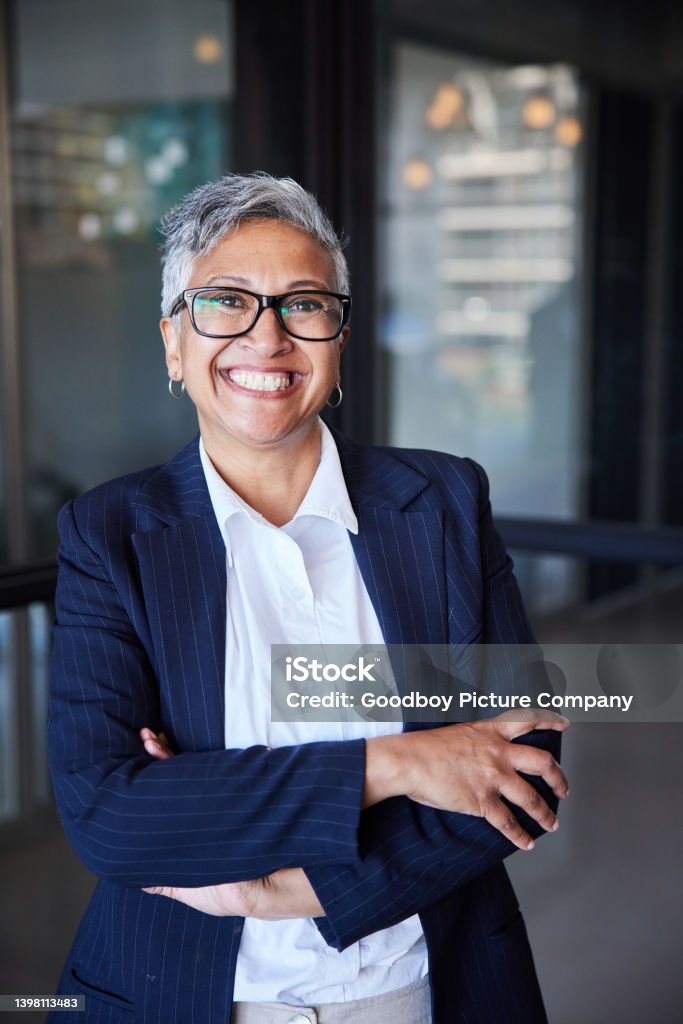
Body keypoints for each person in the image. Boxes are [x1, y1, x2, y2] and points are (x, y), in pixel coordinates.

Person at [47, 173, 569, 1024]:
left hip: (424, 991)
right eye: (224, 302)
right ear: (173, 344)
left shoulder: (440, 502)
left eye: (302, 304)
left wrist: (277, 887)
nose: (267, 337)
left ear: (338, 336)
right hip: (174, 994)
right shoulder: (107, 535)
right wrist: (399, 763)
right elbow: (112, 818)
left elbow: (523, 766)